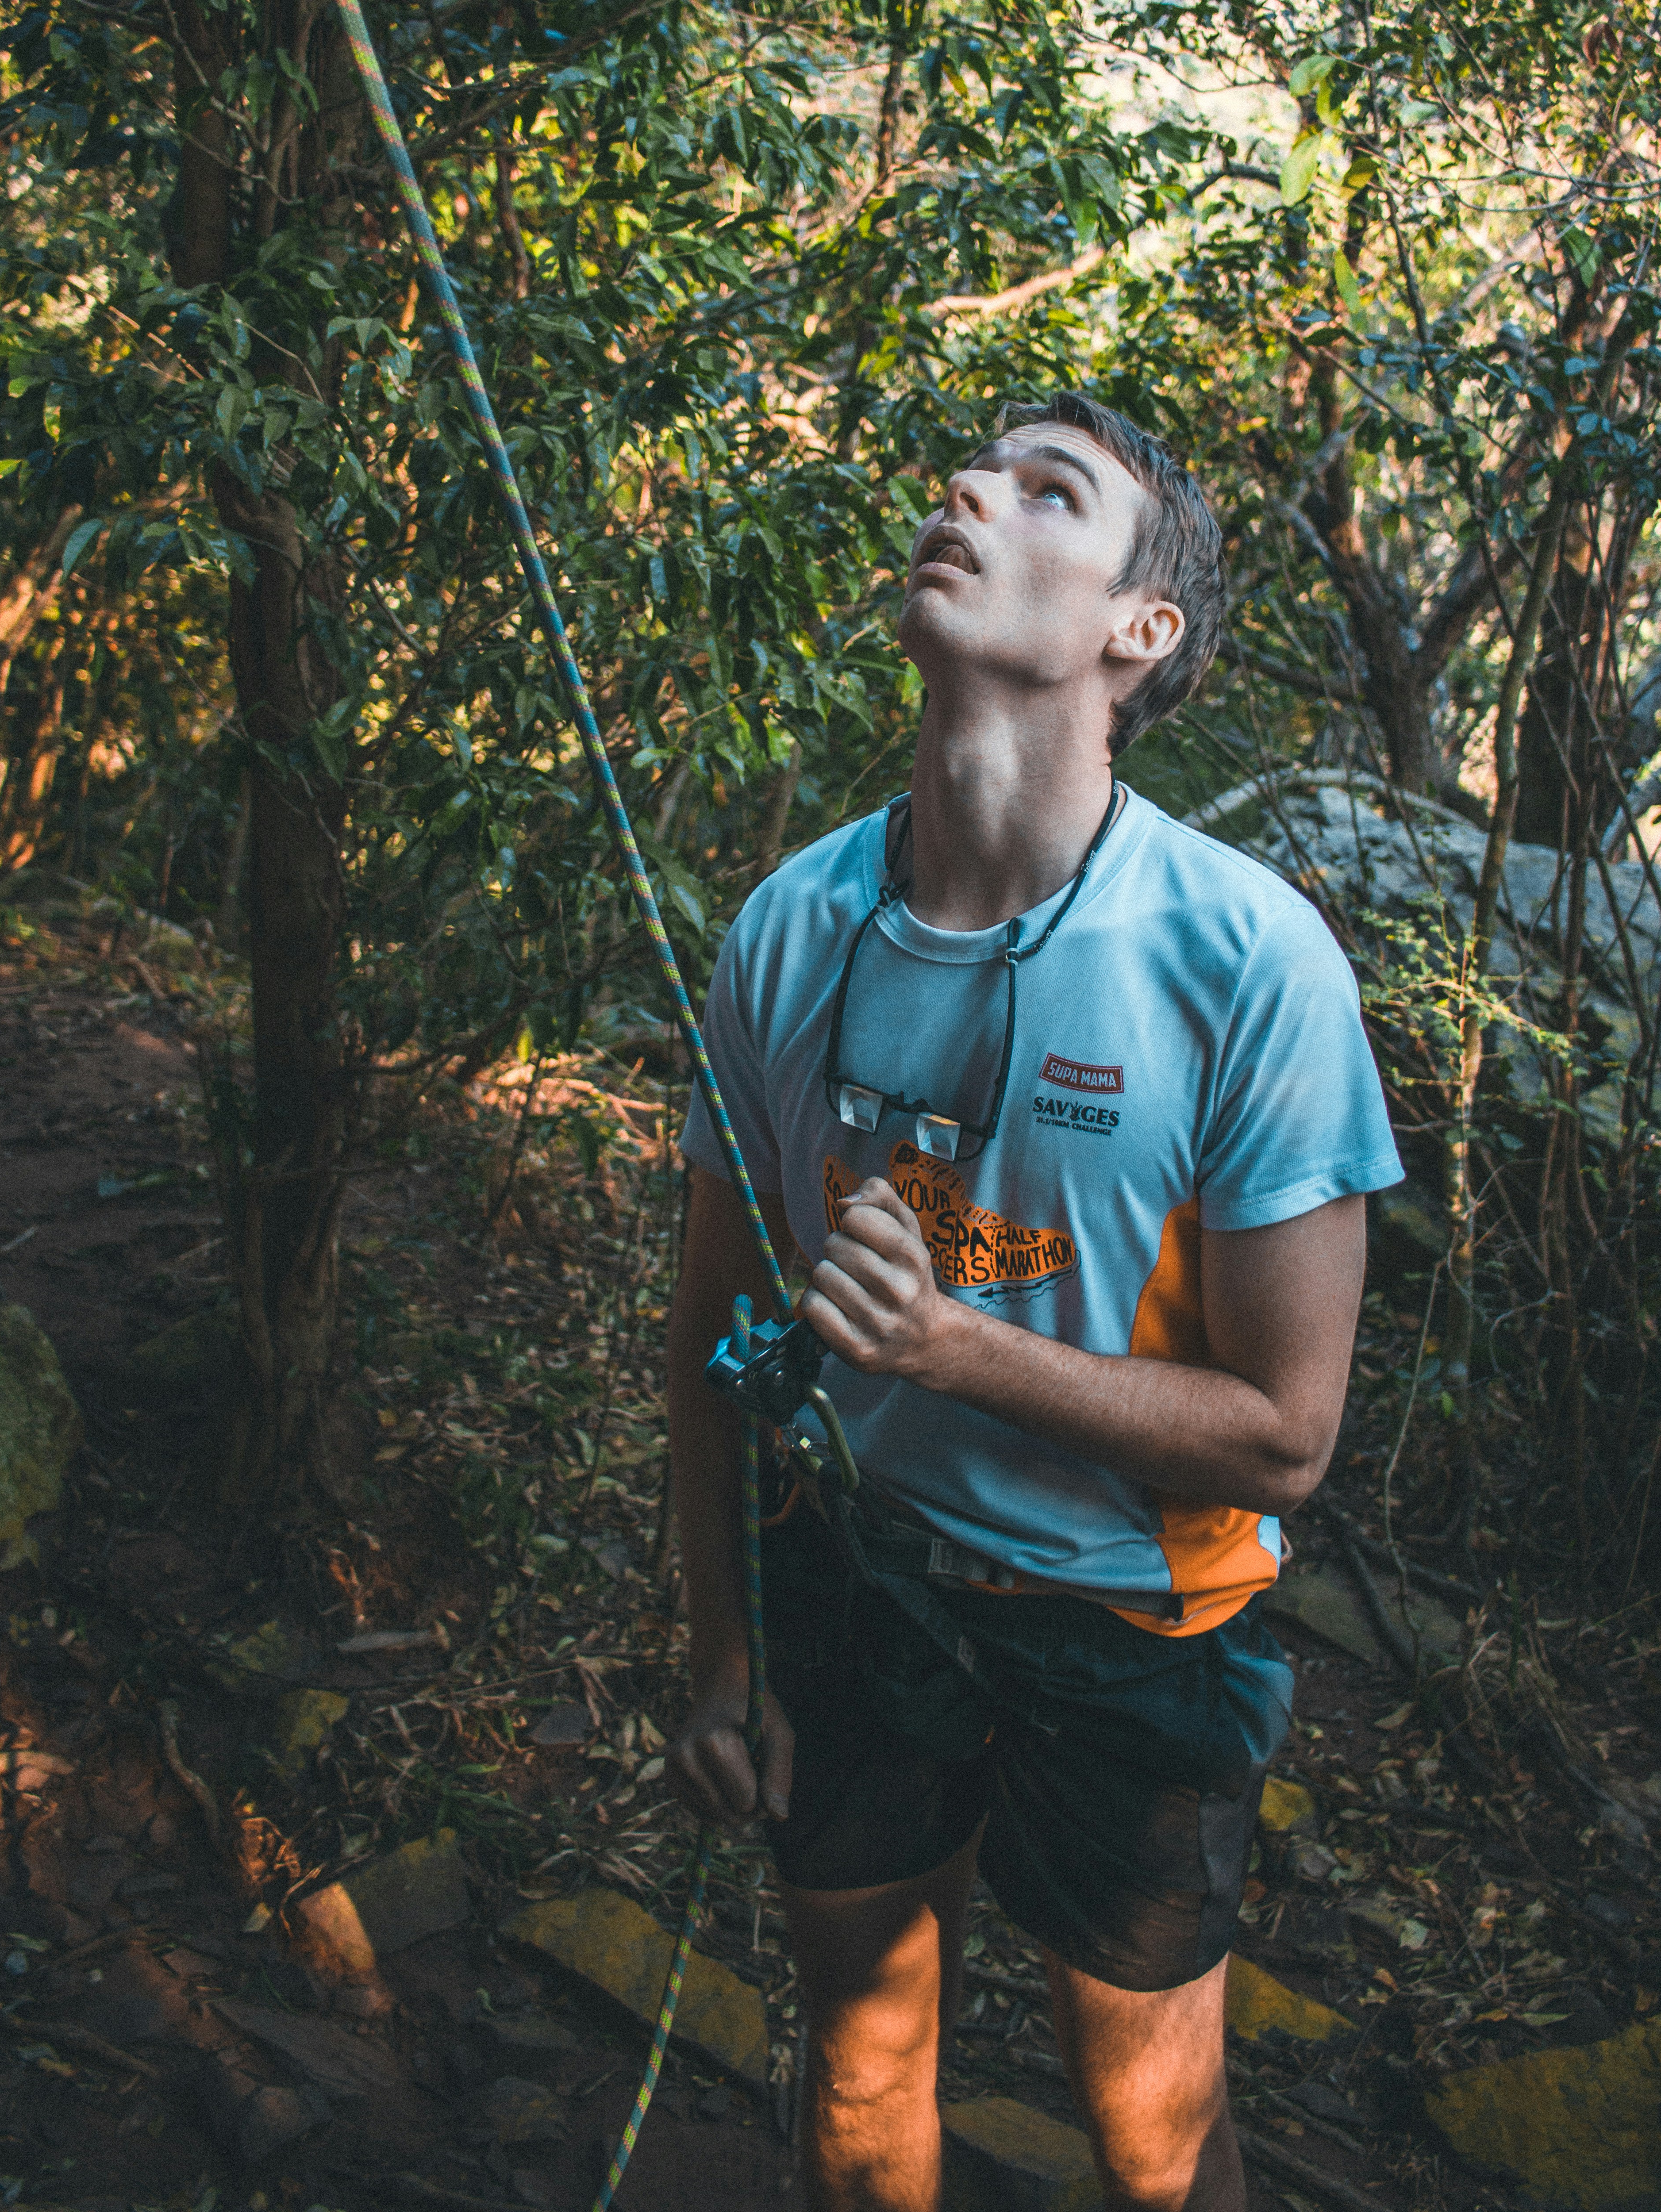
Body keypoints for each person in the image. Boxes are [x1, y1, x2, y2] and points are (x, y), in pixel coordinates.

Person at [665, 392, 1403, 2212]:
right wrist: (717, 1645)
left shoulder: (1243, 959)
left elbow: (1286, 1433)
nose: (968, 492)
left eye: (1044, 487)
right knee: (856, 2080)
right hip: (850, 1573)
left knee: (1154, 2144)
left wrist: (951, 1348)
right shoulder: (788, 927)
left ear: (1133, 633)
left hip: (1135, 1631)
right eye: (971, 469)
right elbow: (704, 1328)